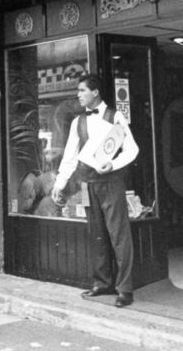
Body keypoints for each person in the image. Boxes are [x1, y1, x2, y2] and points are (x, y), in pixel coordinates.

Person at [51, 74, 139, 307]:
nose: (78, 95)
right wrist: (59, 184)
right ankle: (102, 283)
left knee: (119, 235)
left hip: (111, 182)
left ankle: (125, 289)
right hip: (88, 182)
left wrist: (114, 164)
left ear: (95, 92)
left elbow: (131, 149)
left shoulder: (114, 116)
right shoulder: (77, 121)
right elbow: (70, 156)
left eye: (82, 90)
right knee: (97, 234)